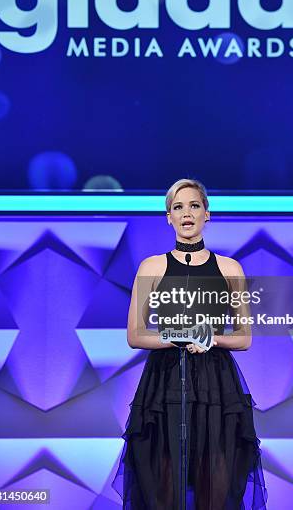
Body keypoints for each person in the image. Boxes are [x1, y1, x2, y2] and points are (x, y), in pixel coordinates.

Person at [112, 179, 268, 509]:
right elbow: (135, 335)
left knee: (216, 482)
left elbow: (244, 337)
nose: (187, 213)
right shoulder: (151, 266)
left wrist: (211, 338)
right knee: (163, 482)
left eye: (194, 206)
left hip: (217, 385)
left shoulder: (229, 268)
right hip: (165, 380)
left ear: (206, 214)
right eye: (178, 207)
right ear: (168, 216)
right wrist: (178, 338)